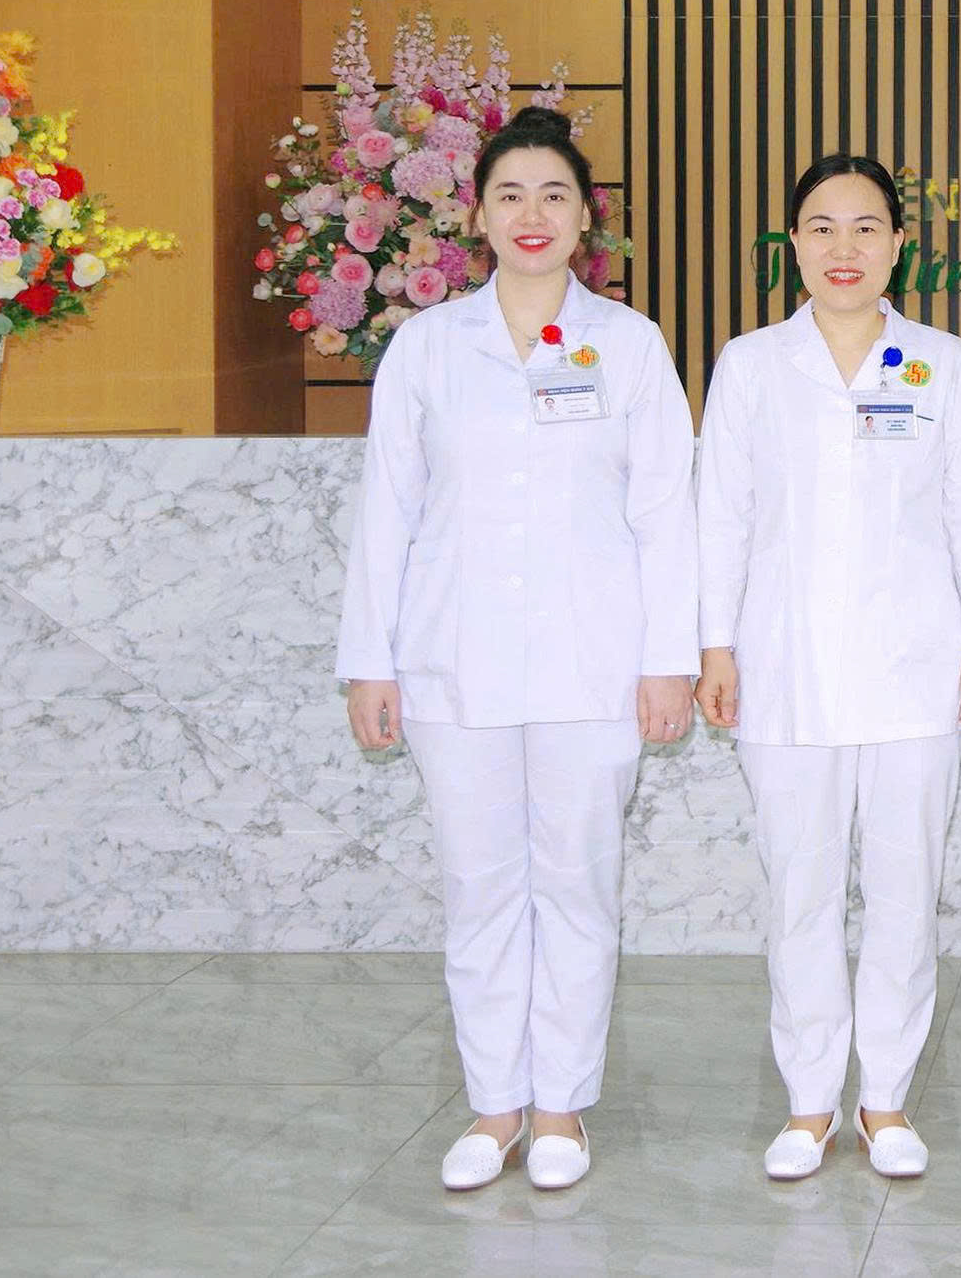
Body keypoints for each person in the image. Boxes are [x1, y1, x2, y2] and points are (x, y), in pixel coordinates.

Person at [337, 106, 699, 1193]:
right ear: (477, 215)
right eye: (509, 196)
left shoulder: (628, 346)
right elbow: (386, 510)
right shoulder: (425, 347)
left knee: (577, 887)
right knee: (481, 889)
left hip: (597, 667)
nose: (531, 215)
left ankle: (559, 1111)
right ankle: (492, 1106)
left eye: (552, 195)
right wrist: (371, 657)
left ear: (586, 218)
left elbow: (665, 514)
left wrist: (668, 658)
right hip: (455, 664)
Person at [696, 154, 961, 1182]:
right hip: (783, 669)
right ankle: (809, 1099)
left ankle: (885, 1098)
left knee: (906, 890)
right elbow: (722, 516)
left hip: (917, 669)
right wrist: (714, 644)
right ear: (793, 244)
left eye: (866, 228)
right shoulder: (749, 364)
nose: (844, 249)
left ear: (899, 246)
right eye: (821, 228)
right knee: (802, 891)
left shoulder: (941, 362)